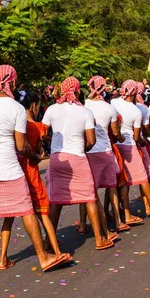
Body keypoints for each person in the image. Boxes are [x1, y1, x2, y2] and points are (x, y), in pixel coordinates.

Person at [0, 64, 70, 277]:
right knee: (26, 211)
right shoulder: (16, 109)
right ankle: (43, 257)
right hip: (9, 169)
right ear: (12, 82)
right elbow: (21, 146)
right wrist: (35, 157)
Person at [43, 77, 115, 251]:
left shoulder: (52, 109)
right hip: (78, 157)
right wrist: (81, 148)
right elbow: (91, 140)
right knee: (89, 196)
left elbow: (42, 133)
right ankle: (99, 239)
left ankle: (48, 242)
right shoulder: (85, 112)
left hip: (57, 158)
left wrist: (55, 142)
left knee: (55, 200)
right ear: (77, 91)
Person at [111, 80, 150, 221]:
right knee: (143, 177)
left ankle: (124, 214)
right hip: (130, 145)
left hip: (116, 145)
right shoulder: (137, 111)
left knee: (123, 180)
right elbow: (137, 136)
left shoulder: (114, 103)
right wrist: (144, 142)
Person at [18, 91, 64, 259]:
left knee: (11, 215)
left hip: (16, 168)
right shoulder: (38, 127)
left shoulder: (18, 124)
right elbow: (38, 150)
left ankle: (2, 257)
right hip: (31, 168)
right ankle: (53, 246)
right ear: (34, 106)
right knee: (43, 210)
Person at [82, 76, 128, 232]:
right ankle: (118, 221)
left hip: (88, 151)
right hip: (105, 151)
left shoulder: (83, 105)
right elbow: (115, 133)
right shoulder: (109, 108)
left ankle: (83, 224)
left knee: (88, 191)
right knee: (112, 187)